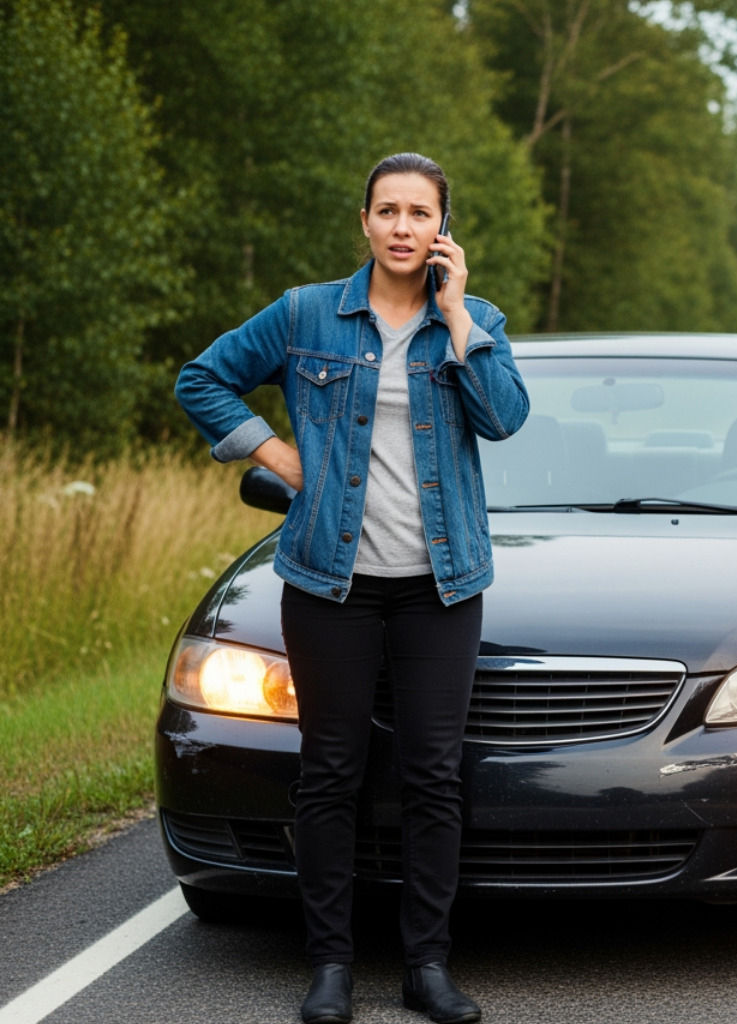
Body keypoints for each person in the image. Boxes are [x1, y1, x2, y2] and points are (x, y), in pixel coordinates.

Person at [176, 152, 529, 1024]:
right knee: (330, 772)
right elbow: (202, 378)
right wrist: (277, 453)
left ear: (443, 228)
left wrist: (455, 318)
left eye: (420, 213)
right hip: (330, 583)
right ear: (364, 222)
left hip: (441, 588)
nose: (403, 227)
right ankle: (331, 965)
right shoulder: (305, 315)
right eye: (388, 211)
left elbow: (506, 417)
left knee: (434, 775)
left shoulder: (476, 318)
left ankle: (427, 965)